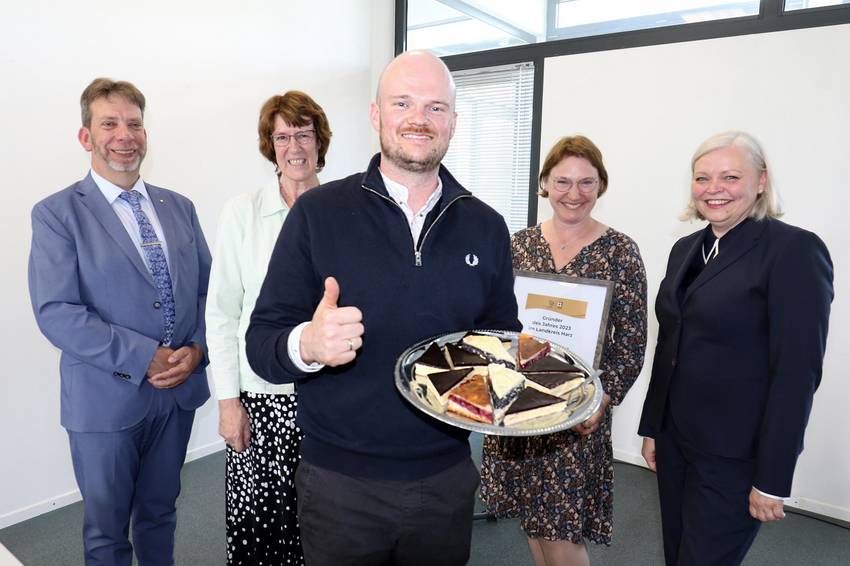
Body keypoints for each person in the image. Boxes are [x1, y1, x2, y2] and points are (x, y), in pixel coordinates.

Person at [245, 50, 520, 566]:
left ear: (454, 123)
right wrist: (307, 343)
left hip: (446, 479)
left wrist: (546, 395)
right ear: (376, 115)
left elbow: (498, 342)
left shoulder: (486, 225)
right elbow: (261, 343)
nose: (419, 118)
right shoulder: (317, 214)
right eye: (402, 103)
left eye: (436, 107)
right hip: (340, 485)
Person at [28, 78, 211, 565]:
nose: (124, 135)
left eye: (134, 124)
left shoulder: (180, 208)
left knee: (159, 514)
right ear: (86, 136)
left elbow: (207, 294)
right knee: (107, 534)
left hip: (177, 395)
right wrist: (143, 355)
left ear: (146, 134)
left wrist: (196, 350)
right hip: (105, 403)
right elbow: (56, 312)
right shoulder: (57, 215)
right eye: (109, 123)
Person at [638, 131, 833, 566]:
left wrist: (773, 477)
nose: (714, 189)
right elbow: (670, 342)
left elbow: (797, 372)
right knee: (677, 554)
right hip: (676, 441)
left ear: (761, 181)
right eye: (702, 178)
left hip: (735, 454)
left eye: (729, 176)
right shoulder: (686, 249)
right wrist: (654, 427)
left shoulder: (793, 250)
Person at [480, 135, 648, 566]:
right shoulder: (517, 245)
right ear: (545, 184)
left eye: (586, 183)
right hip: (519, 409)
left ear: (601, 185)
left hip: (576, 417)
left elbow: (630, 343)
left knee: (562, 537)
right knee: (534, 528)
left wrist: (600, 400)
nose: (574, 194)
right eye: (563, 181)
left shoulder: (621, 253)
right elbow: (498, 327)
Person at [206, 90, 332, 565]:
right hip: (260, 400)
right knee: (263, 529)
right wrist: (228, 403)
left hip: (329, 399)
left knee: (326, 525)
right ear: (270, 145)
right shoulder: (242, 214)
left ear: (320, 141)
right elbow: (221, 314)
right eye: (283, 136)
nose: (294, 146)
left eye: (304, 133)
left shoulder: (345, 212)